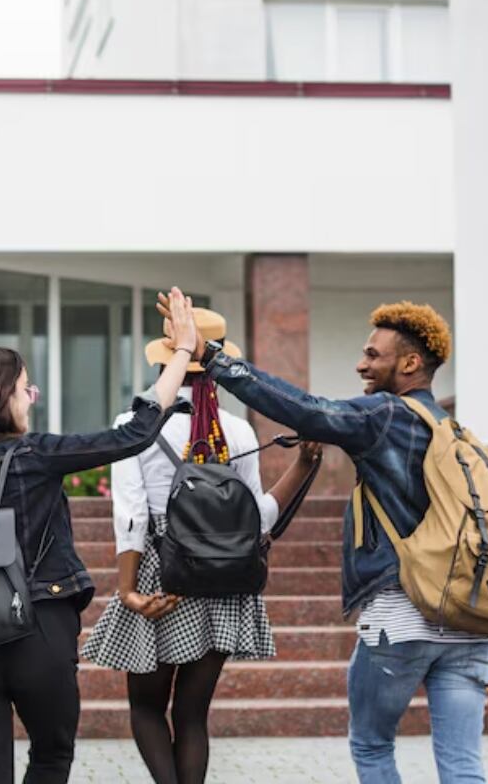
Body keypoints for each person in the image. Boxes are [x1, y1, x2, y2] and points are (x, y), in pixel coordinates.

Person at [156, 294, 488, 783]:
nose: (361, 364)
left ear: (411, 363)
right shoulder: (464, 441)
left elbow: (309, 411)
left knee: (372, 746)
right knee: (463, 765)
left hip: (401, 620)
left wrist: (215, 360)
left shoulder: (387, 416)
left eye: (374, 355)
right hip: (475, 630)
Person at [0, 287, 199, 784]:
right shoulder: (35, 455)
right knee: (50, 756)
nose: (32, 398)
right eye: (27, 388)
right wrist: (182, 353)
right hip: (39, 629)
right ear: (2, 395)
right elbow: (133, 433)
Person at [82, 307, 322, 784]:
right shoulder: (238, 430)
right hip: (224, 582)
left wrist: (128, 590)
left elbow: (129, 514)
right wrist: (301, 468)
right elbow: (256, 524)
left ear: (164, 364)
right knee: (193, 715)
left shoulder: (135, 423)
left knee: (147, 708)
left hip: (160, 576)